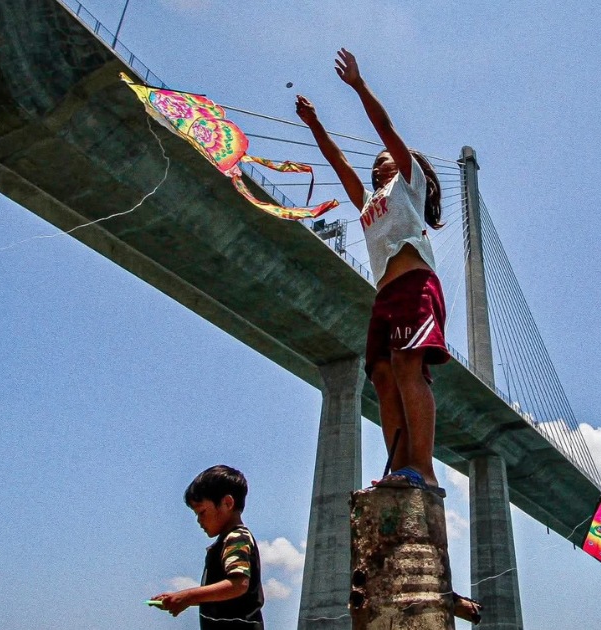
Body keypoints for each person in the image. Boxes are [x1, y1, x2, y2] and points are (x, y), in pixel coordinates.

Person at [296, 48, 448, 495]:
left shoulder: (409, 181)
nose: (379, 161)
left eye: (386, 158)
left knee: (407, 367)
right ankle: (399, 467)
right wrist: (314, 124)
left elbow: (385, 128)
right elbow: (339, 163)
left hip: (416, 285)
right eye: (377, 161)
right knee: (381, 375)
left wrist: (358, 86)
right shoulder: (368, 202)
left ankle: (424, 466)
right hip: (384, 294)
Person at [152, 465, 264, 629]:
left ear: (227, 503)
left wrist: (188, 596)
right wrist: (180, 599)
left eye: (202, 512)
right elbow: (226, 599)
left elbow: (238, 585)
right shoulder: (224, 543)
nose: (199, 520)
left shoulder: (237, 538)